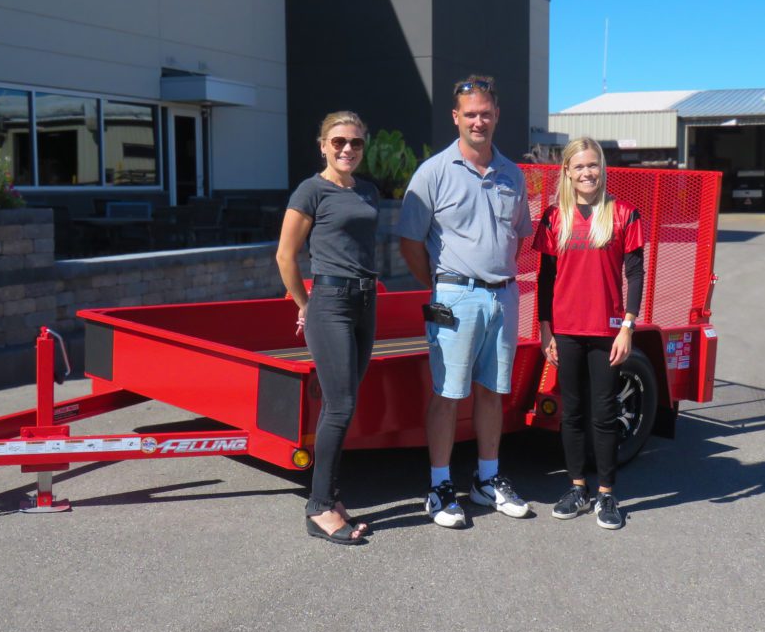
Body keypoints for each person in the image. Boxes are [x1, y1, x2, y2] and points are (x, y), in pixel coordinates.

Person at [397, 75, 533, 529]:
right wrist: (442, 285)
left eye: (486, 112)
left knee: (493, 393)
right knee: (448, 395)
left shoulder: (513, 175)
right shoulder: (433, 173)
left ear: (497, 115)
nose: (479, 120)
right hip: (455, 296)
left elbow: (519, 235)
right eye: (470, 113)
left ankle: (486, 481)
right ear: (456, 118)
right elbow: (410, 242)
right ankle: (439, 488)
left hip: (504, 296)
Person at [276, 111, 379, 545]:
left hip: (365, 301)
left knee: (345, 404)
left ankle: (331, 496)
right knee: (339, 404)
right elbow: (285, 256)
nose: (347, 149)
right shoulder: (311, 190)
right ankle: (318, 507)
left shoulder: (367, 191)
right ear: (322, 145)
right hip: (331, 303)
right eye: (338, 142)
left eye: (355, 143)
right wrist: (306, 303)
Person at [534, 136, 645, 530]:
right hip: (565, 330)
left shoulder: (623, 214)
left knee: (605, 413)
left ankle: (607, 494)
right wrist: (545, 329)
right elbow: (545, 278)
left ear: (603, 168)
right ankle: (577, 487)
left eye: (592, 165)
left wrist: (628, 326)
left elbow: (634, 273)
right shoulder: (553, 217)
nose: (586, 173)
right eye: (579, 166)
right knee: (573, 413)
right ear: (567, 171)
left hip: (607, 330)